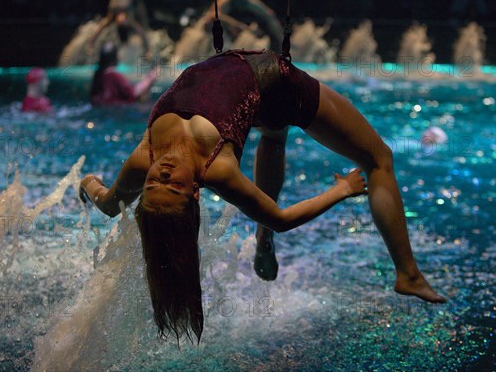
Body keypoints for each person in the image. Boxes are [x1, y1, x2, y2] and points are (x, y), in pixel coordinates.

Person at [80, 49, 447, 343]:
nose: (161, 176)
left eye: (152, 185)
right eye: (172, 186)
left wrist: (87, 184)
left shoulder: (144, 159)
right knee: (379, 157)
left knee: (274, 132)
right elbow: (282, 217)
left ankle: (262, 241)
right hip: (272, 79)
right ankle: (408, 274)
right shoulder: (216, 169)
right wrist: (340, 189)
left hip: (242, 78)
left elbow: (111, 203)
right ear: (194, 192)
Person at [90, 42, 157, 106]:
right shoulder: (114, 76)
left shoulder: (97, 75)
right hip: (116, 109)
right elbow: (132, 93)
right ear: (115, 58)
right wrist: (150, 79)